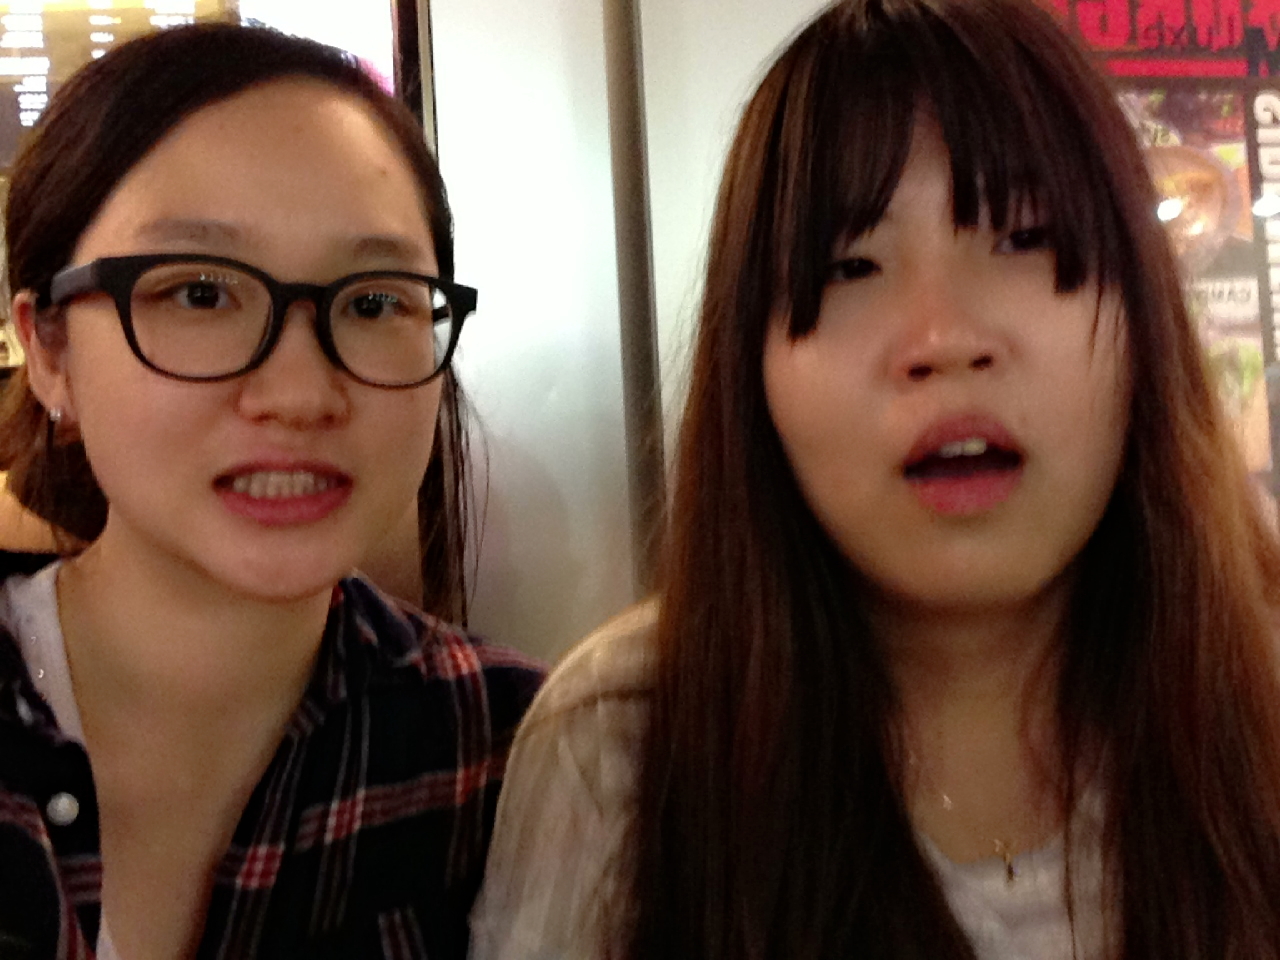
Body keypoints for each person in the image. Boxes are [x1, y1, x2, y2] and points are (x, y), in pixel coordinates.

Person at [470, 0, 1280, 958]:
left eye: (1025, 239)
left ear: (1144, 316)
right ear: (751, 370)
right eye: (851, 266)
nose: (944, 338)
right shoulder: (623, 749)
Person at [0, 22, 543, 960]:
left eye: (373, 302)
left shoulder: (518, 755)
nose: (299, 395)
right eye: (200, 294)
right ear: (49, 349)